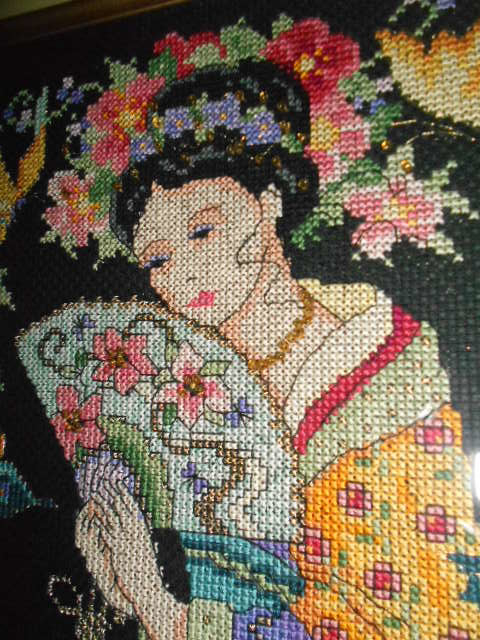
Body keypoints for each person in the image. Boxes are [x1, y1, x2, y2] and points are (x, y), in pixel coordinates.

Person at [19, 62, 480, 639]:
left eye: (203, 231)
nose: (185, 271)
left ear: (268, 202)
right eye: (157, 259)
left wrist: (160, 606)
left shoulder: (376, 360)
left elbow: (400, 616)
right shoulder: (183, 394)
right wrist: (126, 574)